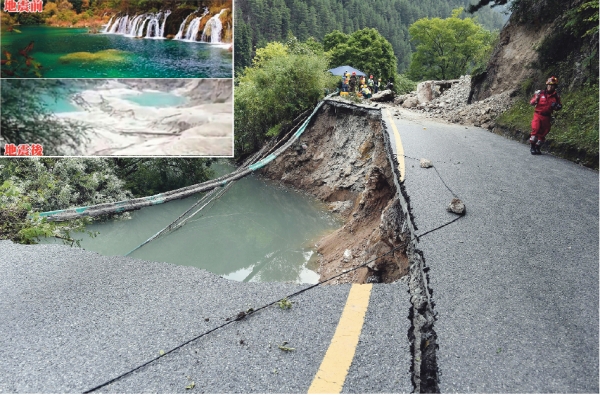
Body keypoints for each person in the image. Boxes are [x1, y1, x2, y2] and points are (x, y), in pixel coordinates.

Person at [529, 76, 563, 155]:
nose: (550, 87)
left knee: (543, 133)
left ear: (555, 87)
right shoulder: (540, 93)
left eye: (552, 85)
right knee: (535, 129)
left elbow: (558, 107)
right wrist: (536, 99)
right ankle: (532, 147)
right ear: (546, 85)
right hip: (538, 114)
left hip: (547, 117)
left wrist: (557, 106)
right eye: (549, 85)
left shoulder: (556, 97)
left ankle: (537, 147)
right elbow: (531, 102)